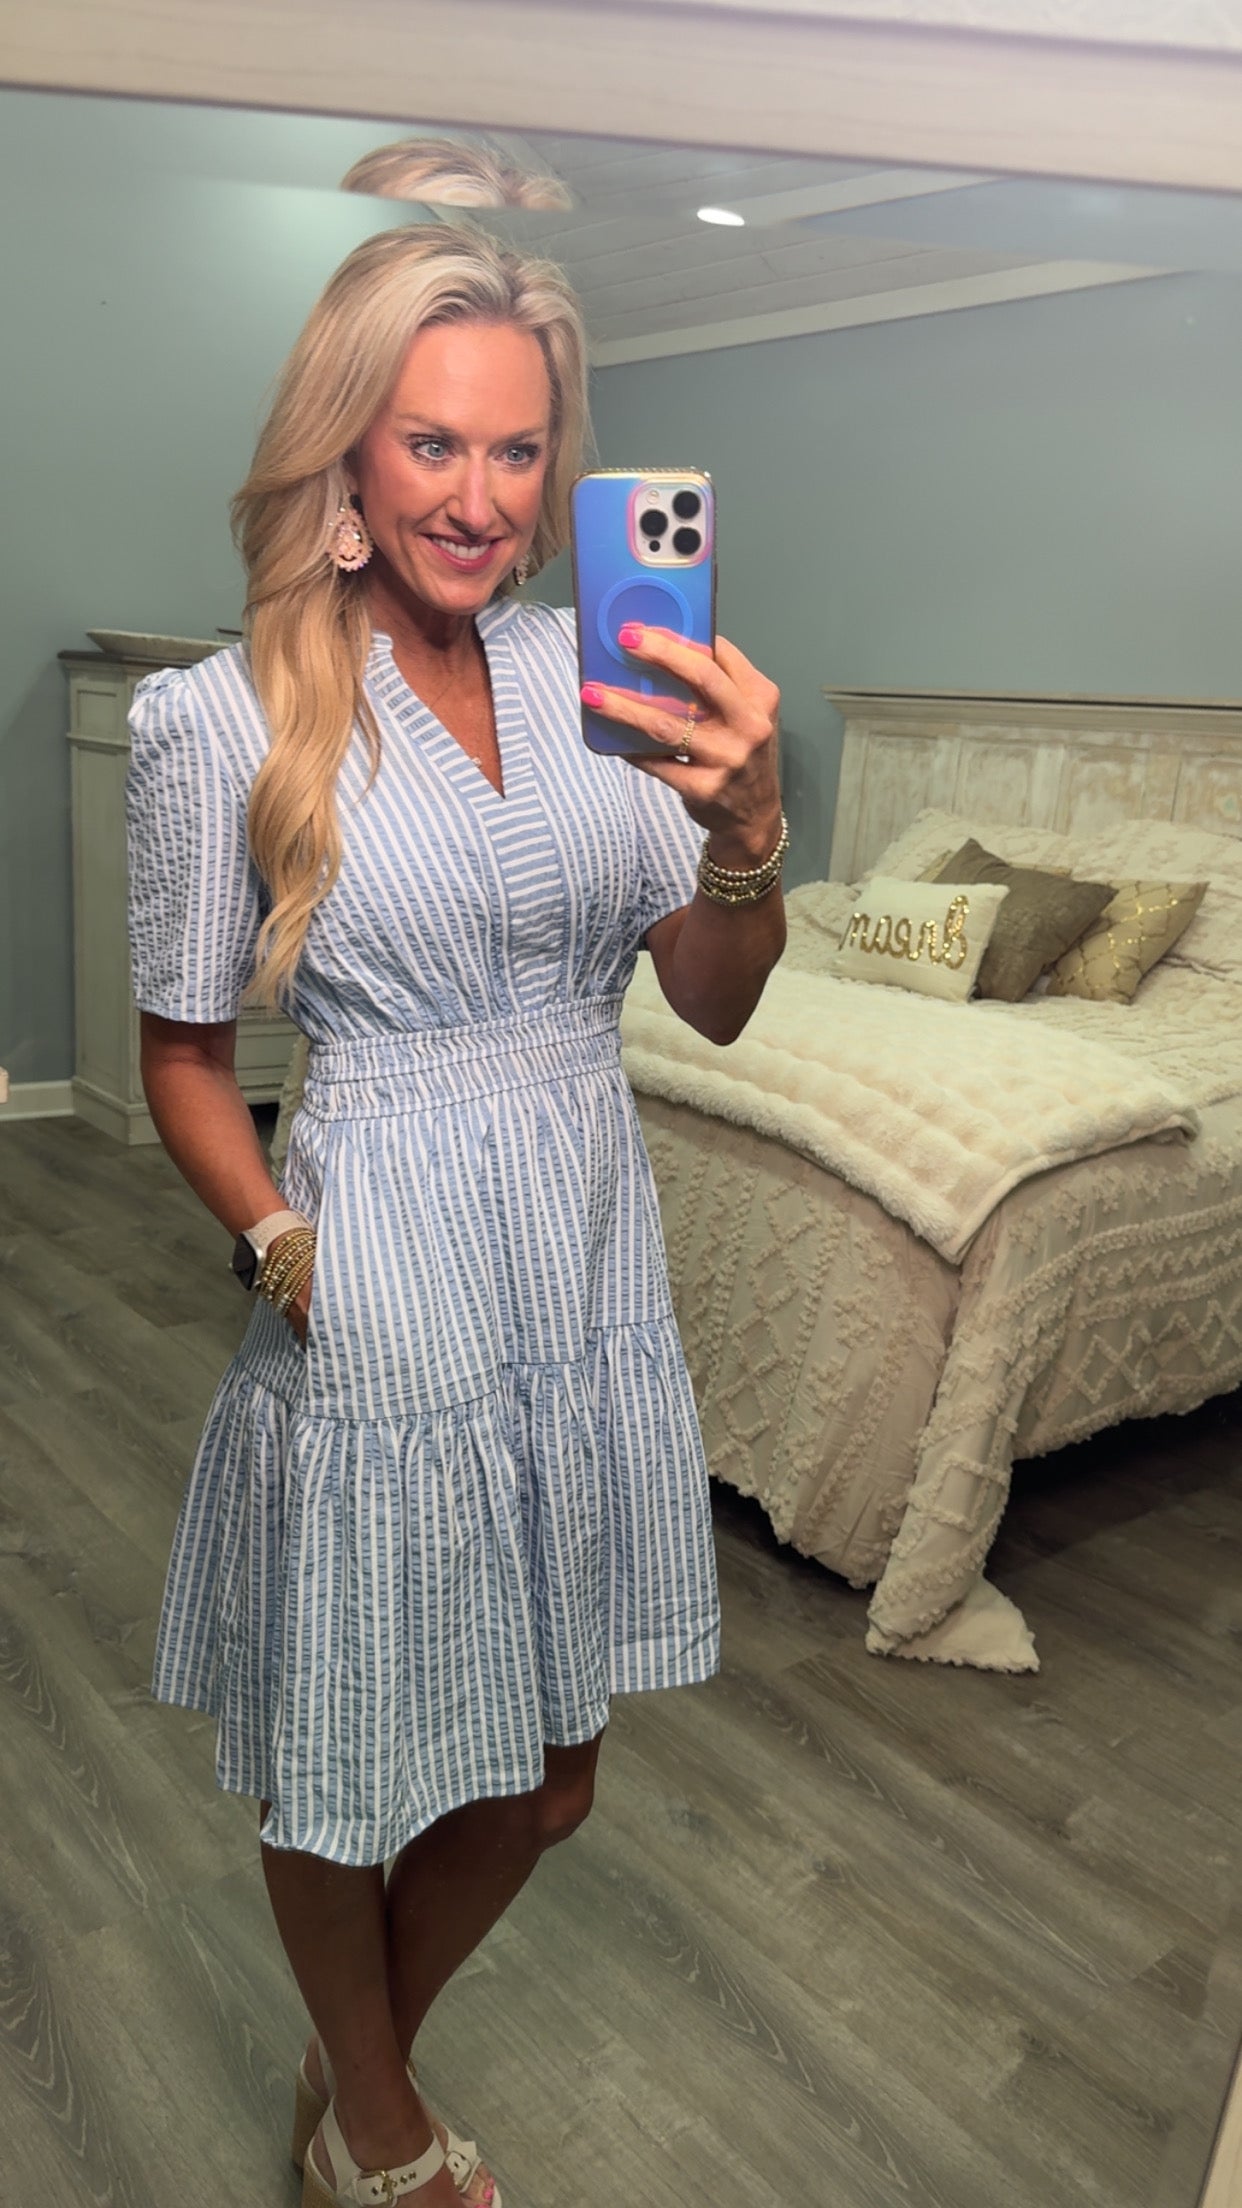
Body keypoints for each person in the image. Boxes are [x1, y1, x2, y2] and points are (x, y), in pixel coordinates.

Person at [126, 220, 785, 2208]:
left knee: (548, 1777)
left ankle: (352, 2075)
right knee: (348, 1752)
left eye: (518, 450)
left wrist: (748, 836)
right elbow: (180, 1055)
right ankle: (379, 2126)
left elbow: (713, 1000)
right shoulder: (225, 718)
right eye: (431, 444)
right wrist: (288, 1255)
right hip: (376, 1273)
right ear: (346, 448)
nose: (480, 499)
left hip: (580, 1273)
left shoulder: (607, 681)